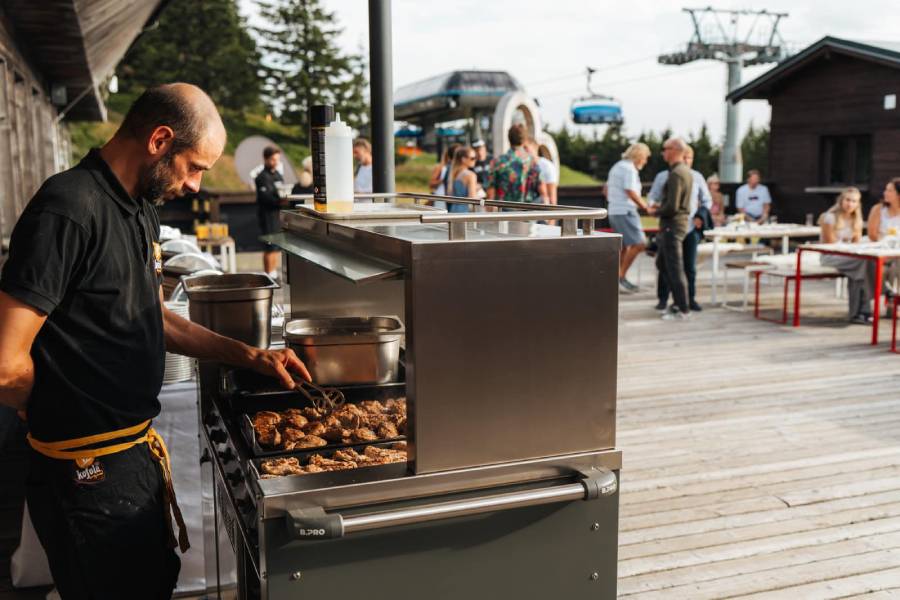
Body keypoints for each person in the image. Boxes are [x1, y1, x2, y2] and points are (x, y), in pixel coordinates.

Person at [0, 83, 311, 599]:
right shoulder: (67, 208)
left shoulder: (140, 209)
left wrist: (251, 356)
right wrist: (50, 408)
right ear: (160, 140)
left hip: (134, 455)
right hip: (85, 472)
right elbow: (7, 362)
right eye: (195, 167)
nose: (195, 185)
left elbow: (155, 317)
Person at [649, 145, 712, 311]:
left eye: (689, 158)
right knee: (665, 264)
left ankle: (688, 300)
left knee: (688, 266)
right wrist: (653, 207)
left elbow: (706, 201)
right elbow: (652, 197)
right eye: (685, 157)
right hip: (671, 224)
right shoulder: (663, 176)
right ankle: (664, 299)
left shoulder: (696, 176)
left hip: (690, 227)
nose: (686, 161)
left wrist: (700, 216)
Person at [818, 187, 872, 323]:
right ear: (841, 200)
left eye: (854, 201)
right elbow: (831, 245)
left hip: (850, 258)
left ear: (857, 204)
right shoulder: (829, 217)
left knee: (862, 269)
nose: (850, 204)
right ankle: (865, 309)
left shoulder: (857, 220)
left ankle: (858, 313)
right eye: (848, 200)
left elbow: (856, 243)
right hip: (830, 256)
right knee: (863, 265)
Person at [606, 143, 653, 293]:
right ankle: (621, 276)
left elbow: (605, 189)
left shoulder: (617, 166)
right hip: (625, 211)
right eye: (645, 158)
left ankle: (615, 278)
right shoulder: (629, 169)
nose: (645, 162)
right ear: (639, 156)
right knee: (640, 243)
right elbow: (630, 191)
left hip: (614, 210)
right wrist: (646, 207)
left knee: (625, 246)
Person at [656, 137, 694, 320]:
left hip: (673, 224)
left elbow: (672, 206)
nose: (663, 152)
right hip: (676, 224)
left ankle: (682, 307)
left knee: (674, 267)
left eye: (665, 148)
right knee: (662, 263)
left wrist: (655, 211)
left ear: (673, 150)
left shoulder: (677, 174)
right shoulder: (683, 171)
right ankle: (678, 303)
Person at [486, 124, 545, 204]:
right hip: (529, 212)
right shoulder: (533, 162)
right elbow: (543, 193)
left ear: (509, 139)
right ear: (524, 140)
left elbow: (490, 195)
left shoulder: (497, 162)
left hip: (504, 212)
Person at [255, 145, 285, 278]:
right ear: (266, 159)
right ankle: (268, 274)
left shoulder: (277, 174)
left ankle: (273, 271)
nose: (275, 162)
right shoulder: (262, 177)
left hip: (277, 215)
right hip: (267, 215)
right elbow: (265, 197)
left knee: (276, 245)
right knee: (269, 245)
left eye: (277, 159)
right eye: (273, 159)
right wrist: (280, 201)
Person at [448, 146, 479, 213]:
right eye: (472, 158)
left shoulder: (454, 173)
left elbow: (450, 193)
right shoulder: (471, 175)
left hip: (453, 210)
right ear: (463, 159)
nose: (475, 160)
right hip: (465, 211)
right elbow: (473, 198)